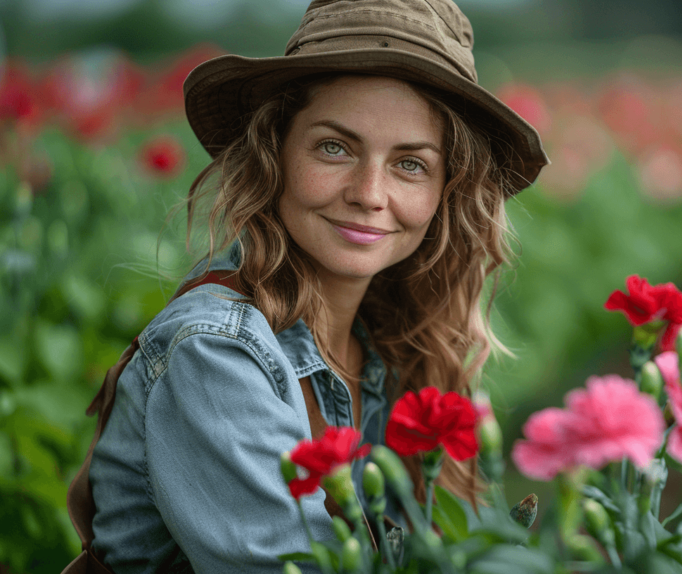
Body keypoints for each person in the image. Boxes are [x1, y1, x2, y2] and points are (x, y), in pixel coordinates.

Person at [83, 0, 548, 571]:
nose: (369, 193)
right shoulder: (216, 353)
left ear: (446, 191)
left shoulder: (400, 341)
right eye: (335, 147)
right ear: (274, 151)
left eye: (411, 164)